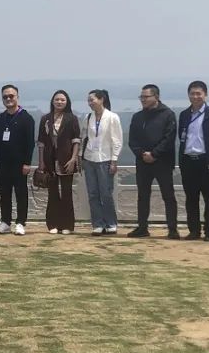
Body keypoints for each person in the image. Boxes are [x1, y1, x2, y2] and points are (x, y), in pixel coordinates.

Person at [127, 85, 178, 239]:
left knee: (168, 196)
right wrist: (142, 153)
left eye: (146, 97)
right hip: (142, 162)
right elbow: (132, 140)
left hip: (163, 162)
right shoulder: (137, 117)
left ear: (156, 97)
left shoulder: (168, 114)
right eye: (141, 97)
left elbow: (169, 138)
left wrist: (154, 154)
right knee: (143, 196)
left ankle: (172, 229)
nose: (143, 100)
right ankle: (142, 227)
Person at [177, 81, 209, 241]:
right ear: (188, 95)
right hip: (188, 161)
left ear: (205, 95)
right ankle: (194, 230)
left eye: (199, 93)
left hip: (206, 162)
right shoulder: (184, 115)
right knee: (191, 198)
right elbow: (181, 136)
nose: (195, 96)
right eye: (192, 93)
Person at [36, 90, 81, 234]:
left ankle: (67, 225)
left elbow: (76, 140)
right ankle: (53, 224)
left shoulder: (72, 118)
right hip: (49, 160)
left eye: (62, 100)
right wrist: (41, 162)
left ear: (67, 102)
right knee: (52, 193)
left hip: (66, 160)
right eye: (57, 99)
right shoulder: (45, 118)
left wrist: (73, 159)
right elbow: (41, 142)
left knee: (67, 193)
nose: (59, 102)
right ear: (52, 101)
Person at [0, 84, 35, 235]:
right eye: (5, 97)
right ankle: (5, 222)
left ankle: (20, 222)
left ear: (17, 97)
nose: (8, 99)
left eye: (11, 96)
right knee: (4, 194)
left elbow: (30, 142)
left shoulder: (26, 118)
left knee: (21, 194)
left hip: (20, 164)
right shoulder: (1, 118)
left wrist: (27, 163)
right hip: (3, 164)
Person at [80, 89, 122, 235]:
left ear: (101, 99)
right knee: (92, 193)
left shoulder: (112, 117)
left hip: (105, 159)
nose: (90, 103)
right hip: (89, 158)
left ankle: (111, 223)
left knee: (106, 193)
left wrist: (114, 160)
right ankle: (98, 224)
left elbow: (117, 140)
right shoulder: (88, 117)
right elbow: (83, 138)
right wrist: (80, 157)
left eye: (92, 100)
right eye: (89, 100)